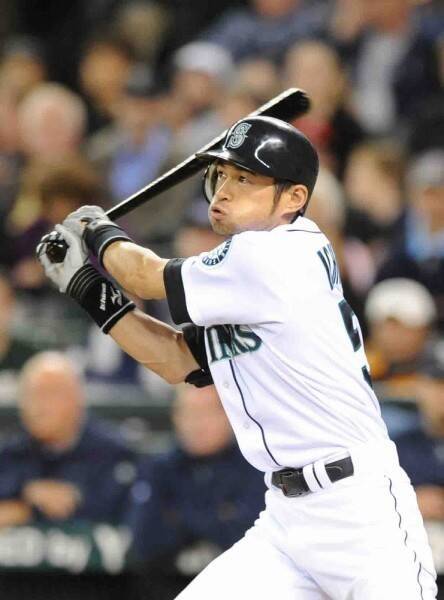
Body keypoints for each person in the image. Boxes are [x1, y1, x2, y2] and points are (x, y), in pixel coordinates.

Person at [37, 115, 437, 598]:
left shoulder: (277, 253)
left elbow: (145, 276)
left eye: (245, 179)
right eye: (222, 175)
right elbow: (176, 360)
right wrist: (87, 287)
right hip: (287, 519)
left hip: (360, 514)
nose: (224, 191)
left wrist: (98, 231)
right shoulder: (250, 274)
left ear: (294, 198)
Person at [128, 384, 265, 599]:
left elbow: (251, 541)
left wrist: (178, 516)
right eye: (188, 413)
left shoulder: (256, 466)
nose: (196, 424)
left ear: (229, 415)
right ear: (175, 417)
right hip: (166, 589)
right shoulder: (158, 468)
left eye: (207, 412)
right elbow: (145, 541)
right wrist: (219, 515)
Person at [0, 351, 137, 527]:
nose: (37, 405)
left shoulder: (113, 452)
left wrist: (76, 501)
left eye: (48, 394)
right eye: (29, 394)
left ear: (76, 398)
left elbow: (124, 510)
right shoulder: (11, 452)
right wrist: (27, 495)